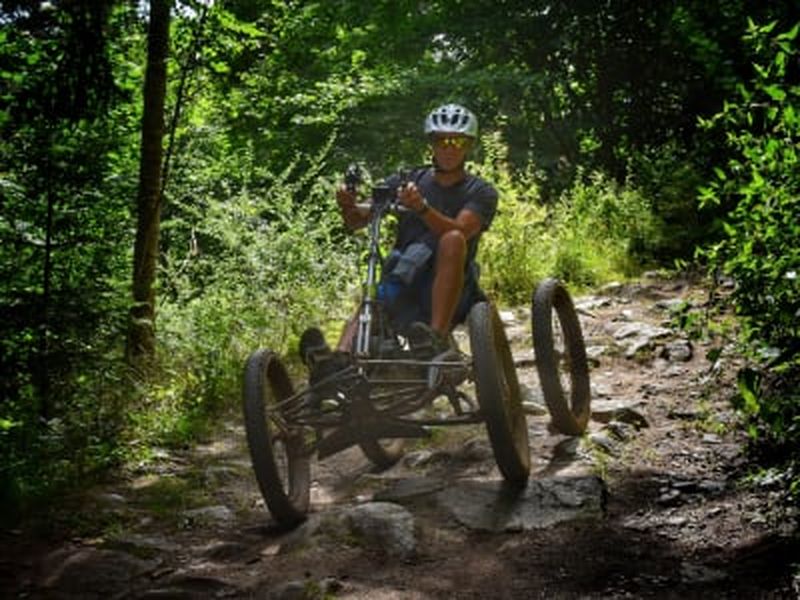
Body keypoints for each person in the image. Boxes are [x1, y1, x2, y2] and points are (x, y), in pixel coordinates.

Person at [334, 103, 498, 357]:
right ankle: (339, 360)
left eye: (457, 142)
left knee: (452, 239)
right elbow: (358, 220)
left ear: (469, 146)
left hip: (455, 289)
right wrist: (347, 205)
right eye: (441, 141)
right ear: (431, 144)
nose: (448, 149)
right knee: (375, 296)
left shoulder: (481, 191)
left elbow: (462, 231)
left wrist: (422, 208)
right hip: (404, 278)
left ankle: (436, 338)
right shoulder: (408, 180)